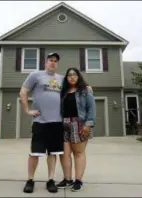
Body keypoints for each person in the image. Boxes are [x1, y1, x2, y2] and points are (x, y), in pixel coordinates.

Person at [19, 53, 92, 194]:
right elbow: (23, 91)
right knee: (34, 153)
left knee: (53, 153)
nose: (53, 63)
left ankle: (51, 180)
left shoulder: (61, 79)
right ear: (45, 62)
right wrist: (28, 110)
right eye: (50, 60)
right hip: (40, 121)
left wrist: (87, 87)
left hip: (57, 123)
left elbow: (74, 82)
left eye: (55, 61)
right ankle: (30, 180)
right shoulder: (36, 75)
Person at [56, 67, 96, 192]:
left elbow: (91, 108)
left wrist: (88, 125)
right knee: (64, 154)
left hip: (79, 124)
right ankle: (68, 179)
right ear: (66, 78)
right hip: (64, 124)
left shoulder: (85, 91)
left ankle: (78, 180)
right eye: (69, 75)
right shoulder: (63, 92)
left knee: (78, 153)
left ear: (78, 77)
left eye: (74, 74)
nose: (72, 77)